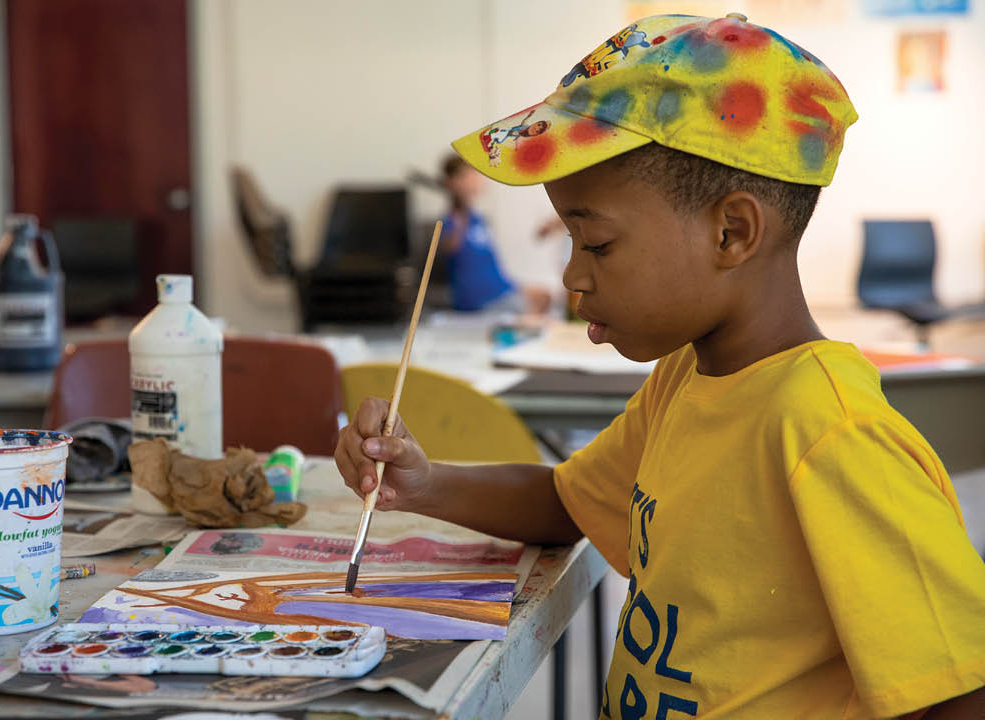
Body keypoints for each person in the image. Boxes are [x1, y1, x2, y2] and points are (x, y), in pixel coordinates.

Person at [337, 12, 985, 719]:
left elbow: (956, 689)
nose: (571, 280)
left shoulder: (831, 431)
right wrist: (426, 484)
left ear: (731, 232)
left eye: (598, 245)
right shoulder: (686, 378)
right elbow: (568, 501)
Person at [441, 152, 551, 314]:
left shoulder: (478, 219)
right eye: (467, 175)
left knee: (545, 296)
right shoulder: (451, 221)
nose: (475, 178)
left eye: (474, 173)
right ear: (452, 183)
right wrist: (459, 203)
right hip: (480, 300)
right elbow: (451, 248)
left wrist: (518, 288)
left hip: (501, 290)